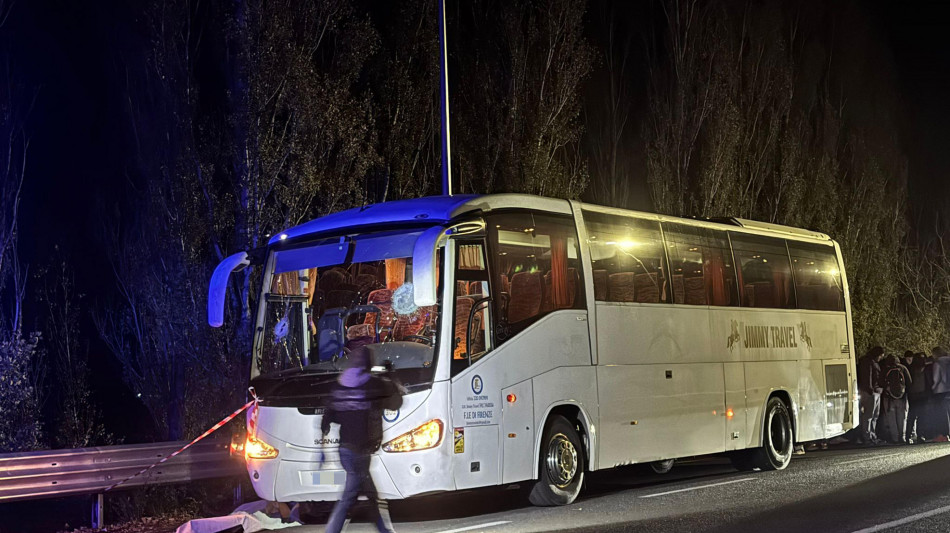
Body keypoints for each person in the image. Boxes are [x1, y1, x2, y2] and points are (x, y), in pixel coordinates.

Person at [319, 346, 403, 533]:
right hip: (360, 450)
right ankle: (331, 531)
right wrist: (391, 376)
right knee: (350, 496)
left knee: (371, 494)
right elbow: (396, 401)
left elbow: (328, 417)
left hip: (345, 449)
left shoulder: (339, 384)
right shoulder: (371, 384)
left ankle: (384, 530)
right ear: (369, 363)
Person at [877, 354, 912, 443]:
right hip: (902, 397)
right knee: (902, 418)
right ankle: (902, 437)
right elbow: (909, 382)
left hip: (888, 398)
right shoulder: (903, 368)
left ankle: (895, 438)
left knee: (891, 418)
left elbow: (880, 383)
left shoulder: (885, 369)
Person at [856, 346, 885, 444]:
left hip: (874, 391)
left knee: (873, 415)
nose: (880, 358)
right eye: (880, 356)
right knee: (869, 415)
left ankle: (871, 435)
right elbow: (868, 377)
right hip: (870, 392)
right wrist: (871, 390)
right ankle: (867, 436)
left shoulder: (869, 361)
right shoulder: (869, 362)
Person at [906, 352, 932, 442]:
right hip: (917, 395)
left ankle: (912, 435)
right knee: (919, 416)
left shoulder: (912, 368)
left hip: (918, 395)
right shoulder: (923, 368)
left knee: (915, 416)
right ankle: (915, 435)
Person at [929, 346, 950, 441]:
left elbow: (936, 378)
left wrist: (932, 388)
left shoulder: (938, 363)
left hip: (941, 390)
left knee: (942, 414)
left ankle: (944, 435)